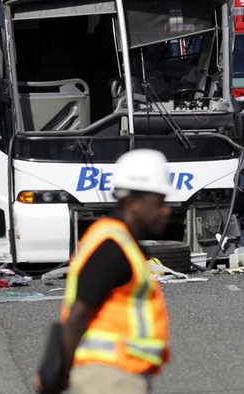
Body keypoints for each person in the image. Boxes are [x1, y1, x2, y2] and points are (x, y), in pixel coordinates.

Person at [35, 149, 173, 394]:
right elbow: (79, 313)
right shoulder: (113, 248)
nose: (166, 209)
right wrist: (58, 375)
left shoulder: (120, 241)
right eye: (159, 201)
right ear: (134, 204)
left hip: (113, 374)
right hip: (109, 377)